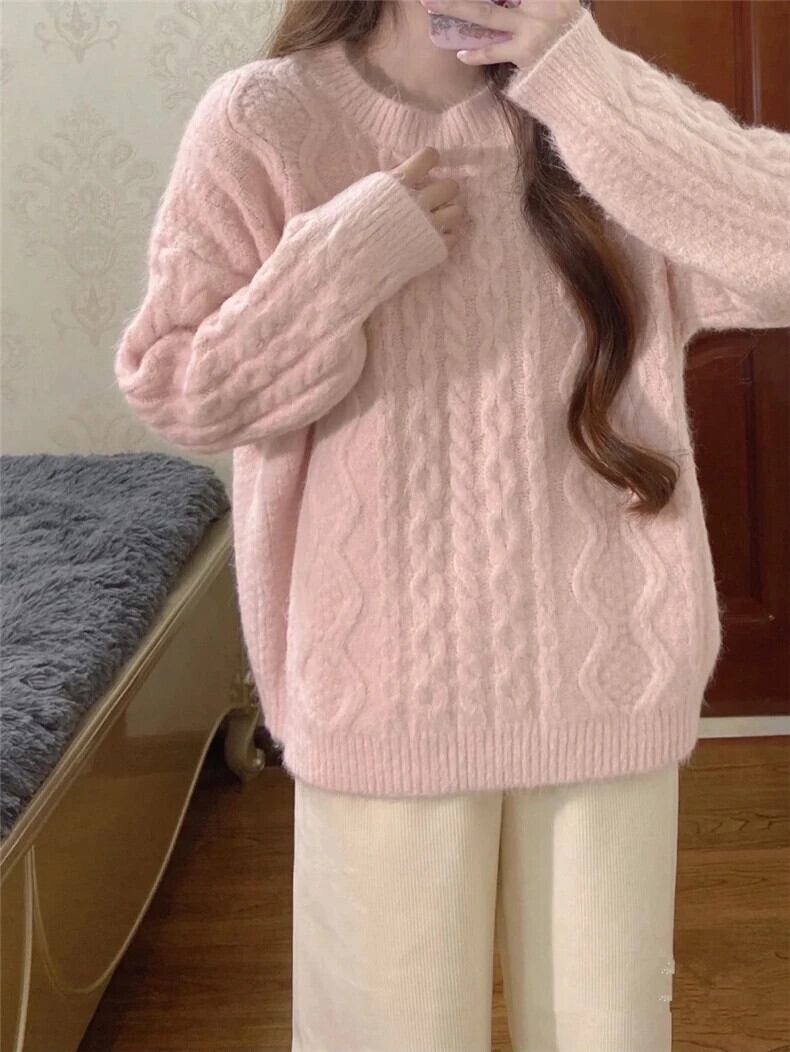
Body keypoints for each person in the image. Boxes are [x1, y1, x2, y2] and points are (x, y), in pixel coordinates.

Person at [113, 0, 790, 1048]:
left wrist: (588, 87)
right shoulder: (266, 118)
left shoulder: (592, 103)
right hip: (382, 681)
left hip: (605, 664)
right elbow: (181, 390)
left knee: (606, 1028)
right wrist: (341, 263)